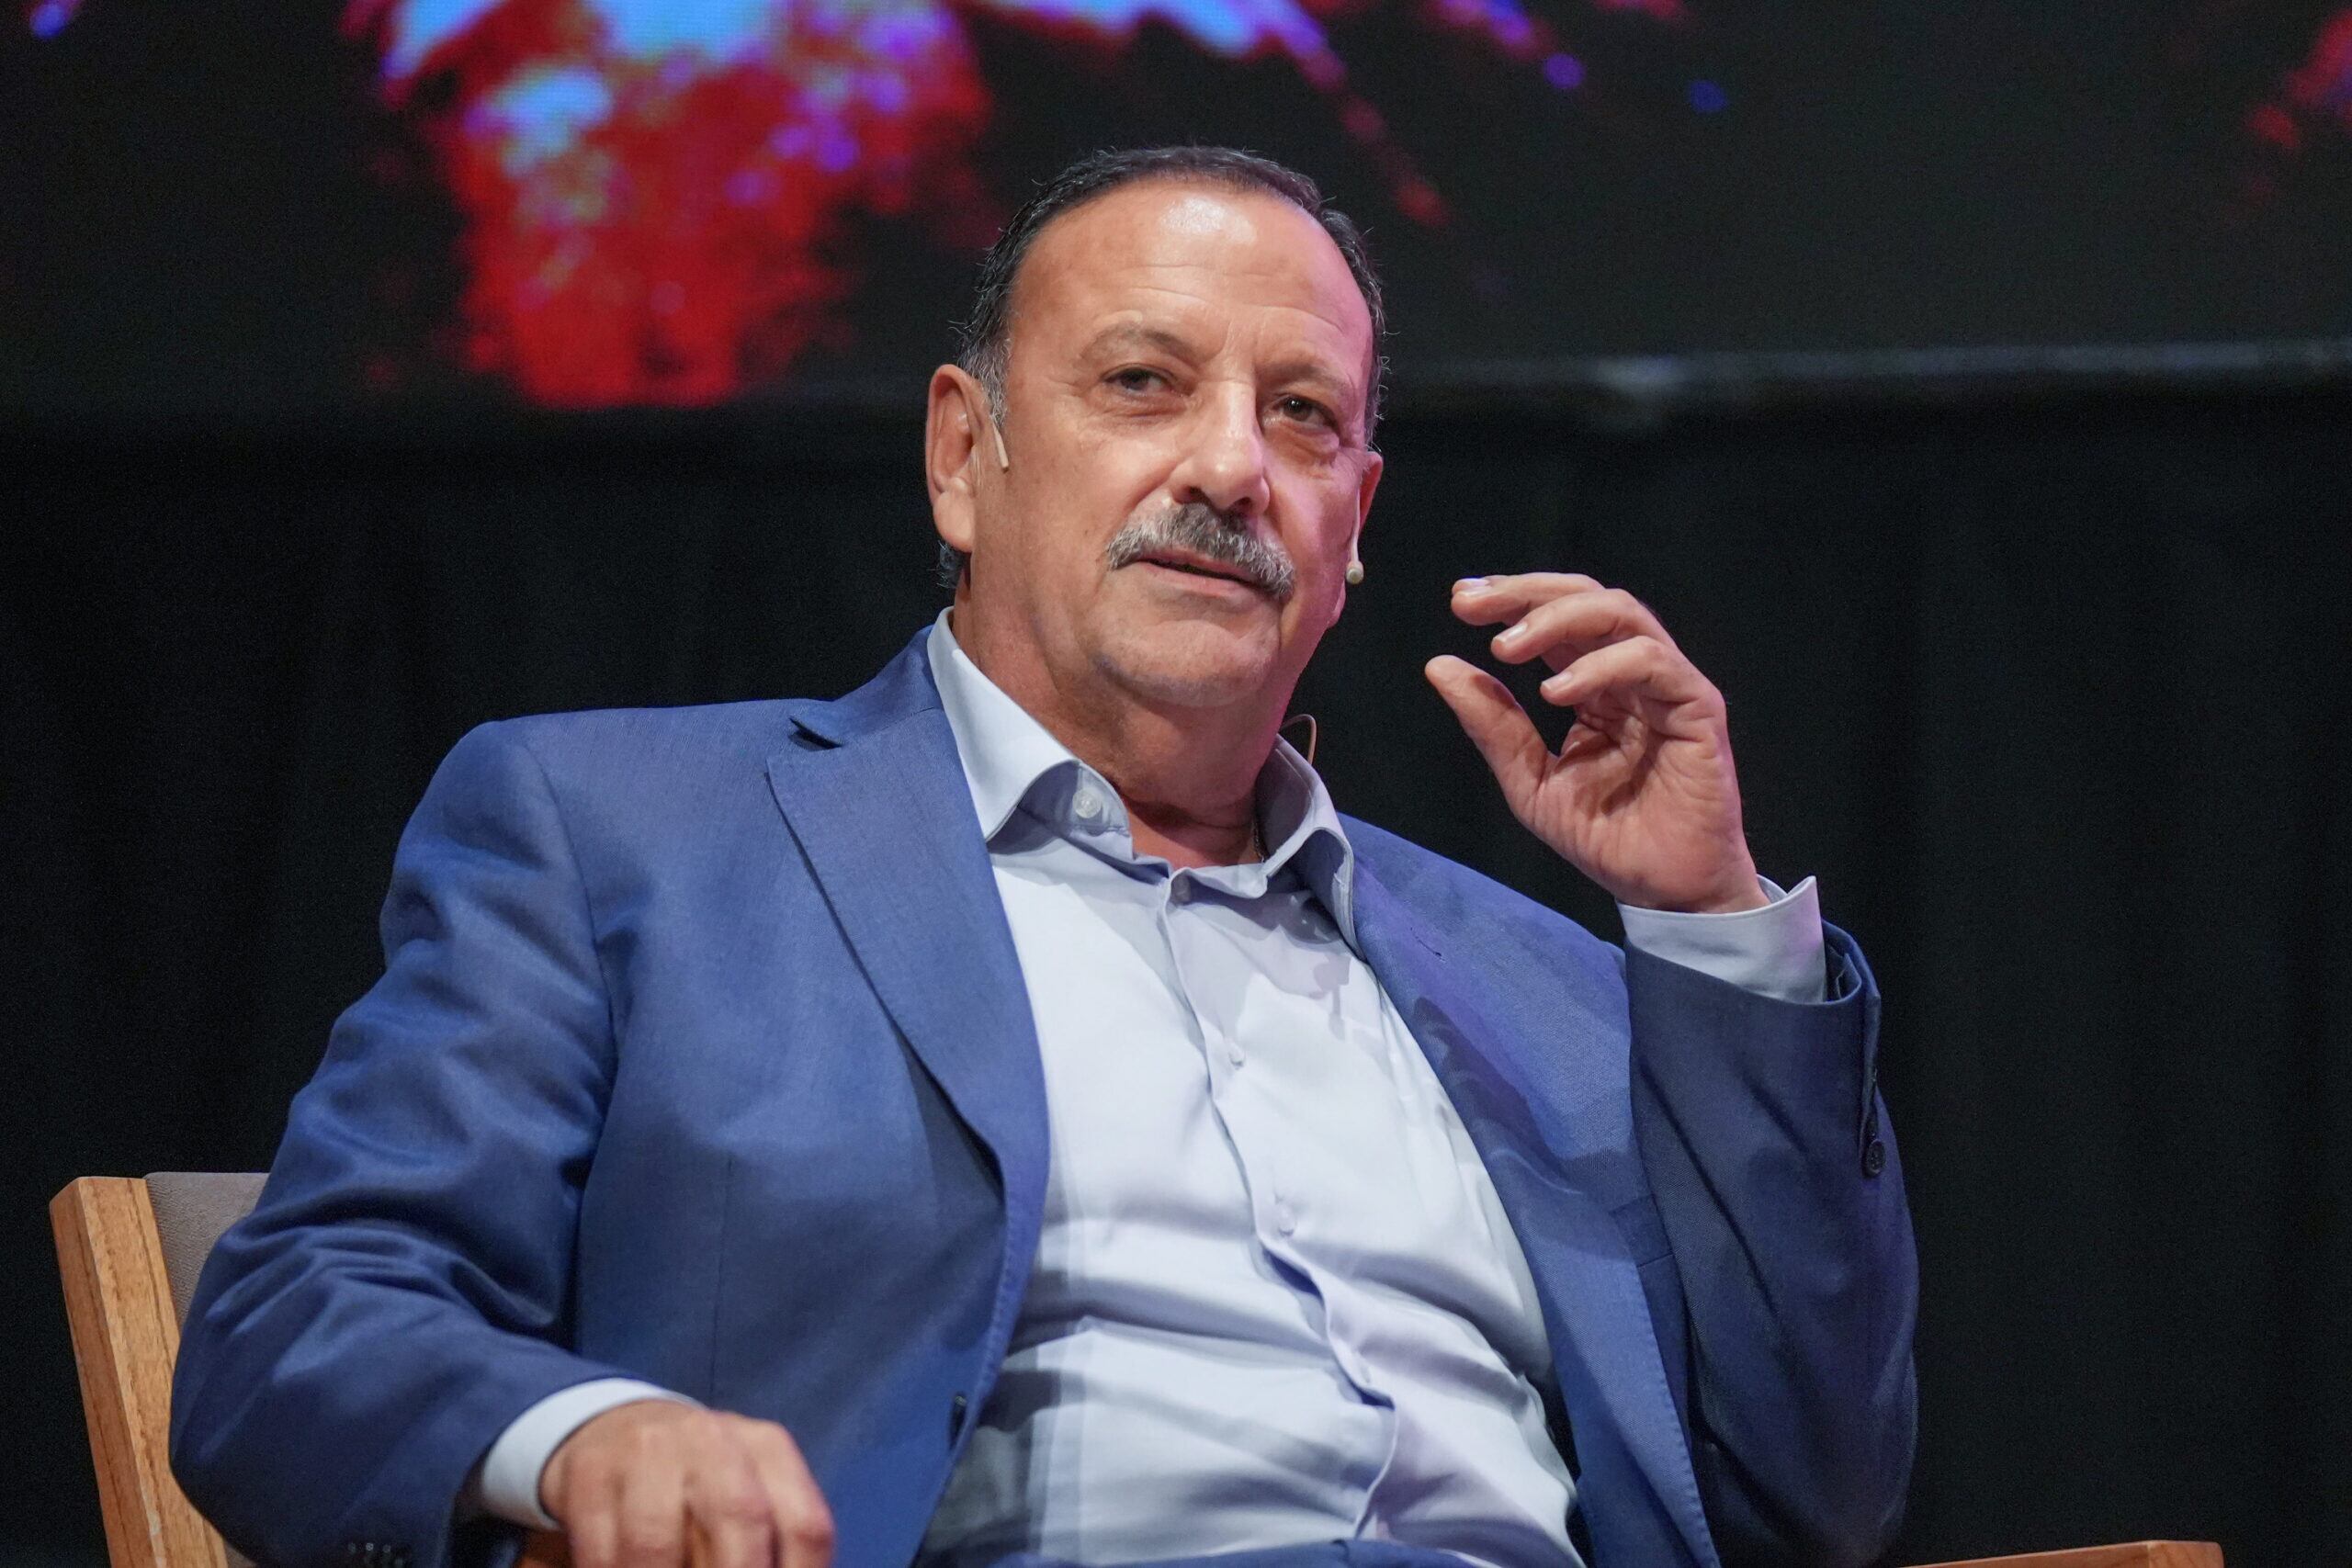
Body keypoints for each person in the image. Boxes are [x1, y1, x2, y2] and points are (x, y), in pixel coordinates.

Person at [171, 147, 1916, 1568]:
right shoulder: (623, 834)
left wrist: (1706, 922)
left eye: (1303, 415)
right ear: (963, 454)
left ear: (1356, 524)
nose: (1230, 466)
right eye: (1143, 383)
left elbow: (1814, 1501)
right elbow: (301, 1321)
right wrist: (586, 1438)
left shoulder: (1533, 979)